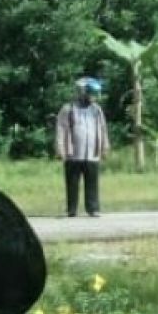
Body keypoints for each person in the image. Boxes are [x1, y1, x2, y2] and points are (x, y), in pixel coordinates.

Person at [55, 77, 111, 217]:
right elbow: (61, 130)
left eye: (95, 94)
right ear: (82, 92)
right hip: (73, 154)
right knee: (72, 182)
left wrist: (104, 146)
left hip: (92, 154)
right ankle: (71, 209)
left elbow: (103, 129)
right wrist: (60, 149)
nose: (94, 97)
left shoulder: (97, 110)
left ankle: (93, 208)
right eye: (91, 94)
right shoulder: (68, 109)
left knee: (92, 182)